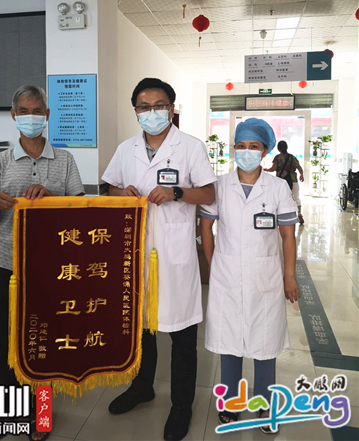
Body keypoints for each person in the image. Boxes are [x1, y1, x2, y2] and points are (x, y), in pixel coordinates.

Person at [102, 78, 216, 441]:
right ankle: (142, 387)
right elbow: (109, 188)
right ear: (135, 110)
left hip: (175, 254)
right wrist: (122, 193)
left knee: (182, 336)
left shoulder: (191, 147)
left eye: (159, 105)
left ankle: (181, 405)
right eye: (144, 106)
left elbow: (209, 193)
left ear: (171, 108)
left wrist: (177, 191)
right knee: (141, 329)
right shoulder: (126, 149)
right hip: (135, 253)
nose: (151, 112)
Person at [0, 85, 84, 441]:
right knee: (5, 340)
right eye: (23, 111)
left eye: (37, 110)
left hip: (50, 267)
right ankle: (8, 411)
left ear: (47, 115)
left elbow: (79, 215)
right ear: (13, 115)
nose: (30, 117)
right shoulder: (0, 162)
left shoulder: (64, 160)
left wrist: (52, 198)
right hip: (3, 263)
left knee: (44, 341)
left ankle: (41, 412)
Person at [200, 118, 300, 434]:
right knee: (229, 341)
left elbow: (288, 235)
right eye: (241, 146)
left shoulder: (278, 187)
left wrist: (289, 276)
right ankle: (230, 402)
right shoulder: (219, 186)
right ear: (234, 149)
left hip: (265, 275)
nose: (246, 152)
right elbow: (206, 228)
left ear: (265, 151)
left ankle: (265, 404)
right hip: (227, 274)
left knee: (264, 342)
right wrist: (214, 264)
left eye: (253, 146)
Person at [264, 140, 305, 224]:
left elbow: (273, 169)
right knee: (296, 197)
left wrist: (266, 169)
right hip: (293, 180)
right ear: (286, 147)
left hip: (281, 182)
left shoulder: (278, 157)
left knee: (278, 198)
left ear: (278, 148)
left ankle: (278, 215)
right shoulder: (292, 157)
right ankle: (299, 214)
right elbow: (299, 167)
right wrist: (301, 175)